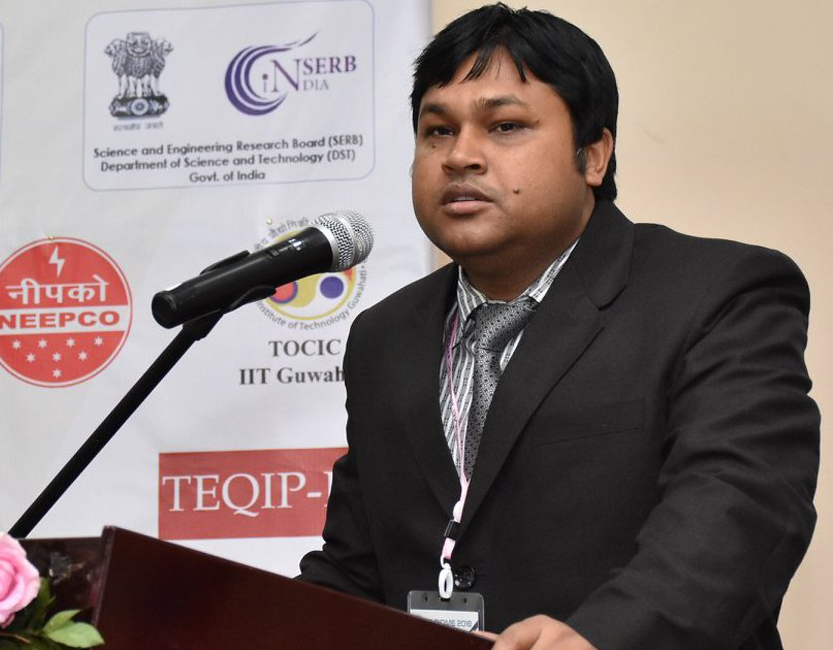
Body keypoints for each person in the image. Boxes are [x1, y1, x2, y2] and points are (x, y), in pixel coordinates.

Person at [298, 4, 820, 650]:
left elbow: (740, 511)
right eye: (437, 131)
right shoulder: (384, 338)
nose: (460, 155)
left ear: (594, 155)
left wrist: (599, 637)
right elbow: (356, 570)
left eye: (505, 126)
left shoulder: (715, 295)